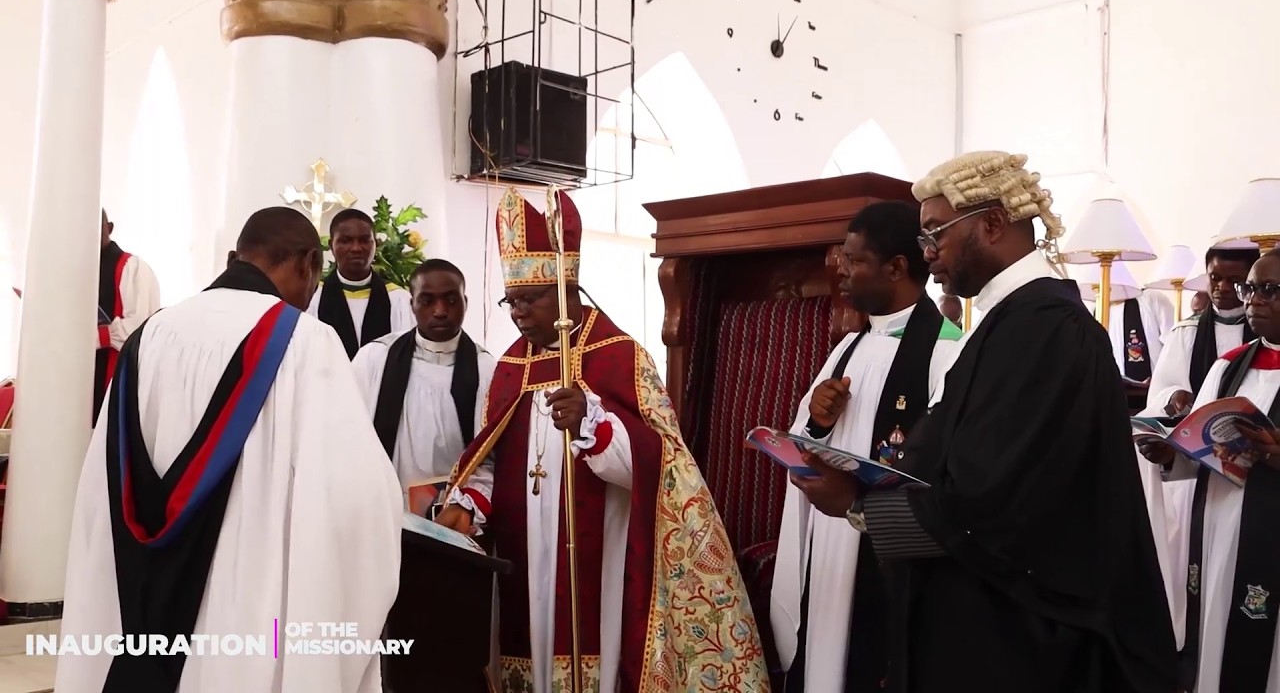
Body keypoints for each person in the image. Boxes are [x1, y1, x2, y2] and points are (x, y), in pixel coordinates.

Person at [787, 152, 1177, 692]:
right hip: (992, 617)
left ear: (992, 223)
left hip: (1021, 634)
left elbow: (988, 500)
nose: (928, 255)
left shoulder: (1045, 329)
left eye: (935, 235)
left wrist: (857, 504)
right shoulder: (1009, 322)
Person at [434, 188, 768, 692]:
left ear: (567, 289)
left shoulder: (618, 355)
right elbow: (491, 460)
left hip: (600, 545)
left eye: (532, 299)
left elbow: (661, 463)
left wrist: (596, 427)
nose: (519, 313)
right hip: (521, 551)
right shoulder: (507, 368)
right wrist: (469, 503)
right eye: (512, 301)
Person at [57, 207, 403, 693]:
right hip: (248, 610)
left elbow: (103, 481)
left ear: (235, 257)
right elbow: (357, 502)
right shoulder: (306, 343)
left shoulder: (147, 336)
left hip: (140, 599)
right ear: (308, 263)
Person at [773, 202, 962, 693]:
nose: (841, 271)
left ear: (896, 267)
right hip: (833, 545)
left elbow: (950, 464)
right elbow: (803, 439)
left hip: (889, 547)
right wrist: (816, 420)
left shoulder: (948, 351)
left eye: (854, 261)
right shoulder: (848, 347)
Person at [1139, 249, 1280, 693]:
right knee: (1214, 627)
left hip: (1270, 531)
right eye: (1251, 288)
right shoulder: (1229, 364)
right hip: (1218, 524)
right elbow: (1196, 438)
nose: (1254, 300)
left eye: (1270, 290)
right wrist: (1171, 454)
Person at [352, 259, 497, 509]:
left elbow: (489, 457)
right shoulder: (375, 357)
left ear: (466, 303)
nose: (440, 311)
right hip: (384, 506)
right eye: (427, 301)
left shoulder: (486, 368)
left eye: (451, 300)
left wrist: (466, 506)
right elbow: (349, 435)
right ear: (412, 305)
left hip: (453, 512)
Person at [1148, 247, 1260, 416]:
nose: (1222, 287)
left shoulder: (1266, 331)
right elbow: (1159, 391)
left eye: (1234, 280)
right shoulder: (1186, 332)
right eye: (1215, 278)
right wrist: (1173, 395)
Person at [307, 208, 413, 358]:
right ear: (331, 245)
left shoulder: (398, 299)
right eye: (345, 241)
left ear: (375, 244)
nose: (356, 248)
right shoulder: (313, 297)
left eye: (364, 240)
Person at [94, 209, 161, 425]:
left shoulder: (132, 268)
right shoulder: (72, 270)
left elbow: (140, 329)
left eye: (94, 224)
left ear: (109, 228)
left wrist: (96, 336)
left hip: (113, 375)